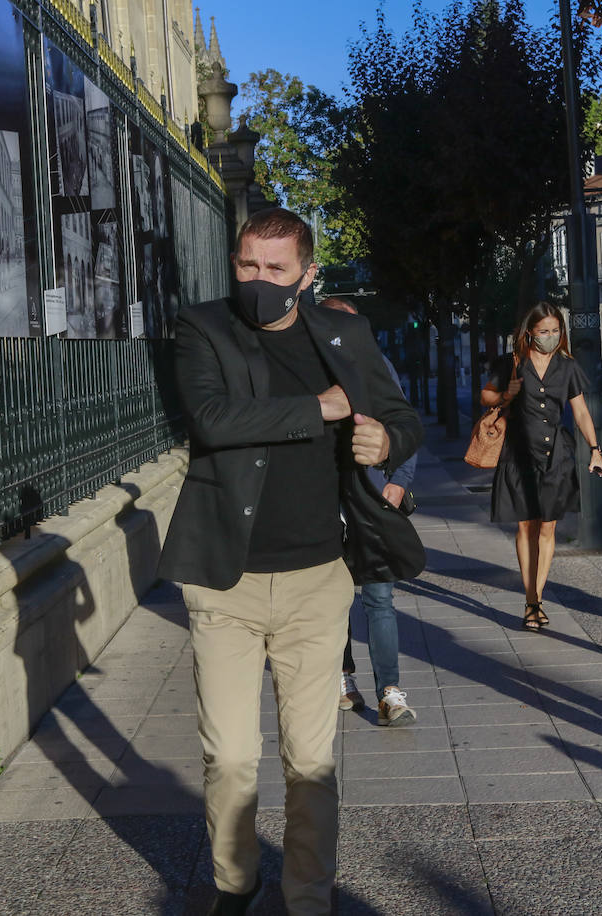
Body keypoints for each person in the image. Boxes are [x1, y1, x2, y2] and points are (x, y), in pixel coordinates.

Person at [157, 208, 424, 916]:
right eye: (248, 265)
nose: (259, 280)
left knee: (310, 763)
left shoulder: (345, 333)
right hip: (226, 582)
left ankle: (309, 898)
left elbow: (402, 416)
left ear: (307, 274)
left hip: (317, 582)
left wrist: (384, 445)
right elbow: (212, 420)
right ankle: (235, 884)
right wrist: (324, 408)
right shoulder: (203, 328)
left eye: (276, 269)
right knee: (232, 758)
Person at [320, 296, 419, 727]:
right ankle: (343, 677)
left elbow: (404, 428)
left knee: (379, 597)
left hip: (372, 501)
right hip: (324, 506)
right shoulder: (307, 372)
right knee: (335, 600)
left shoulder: (378, 369)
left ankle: (389, 692)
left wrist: (397, 485)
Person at [480, 301, 602, 631]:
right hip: (518, 453)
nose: (550, 336)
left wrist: (595, 450)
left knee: (547, 527)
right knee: (526, 527)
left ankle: (537, 597)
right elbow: (486, 397)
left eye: (555, 331)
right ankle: (531, 600)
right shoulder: (511, 363)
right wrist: (505, 394)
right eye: (544, 332)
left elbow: (580, 411)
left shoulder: (567, 367)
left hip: (555, 456)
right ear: (530, 333)